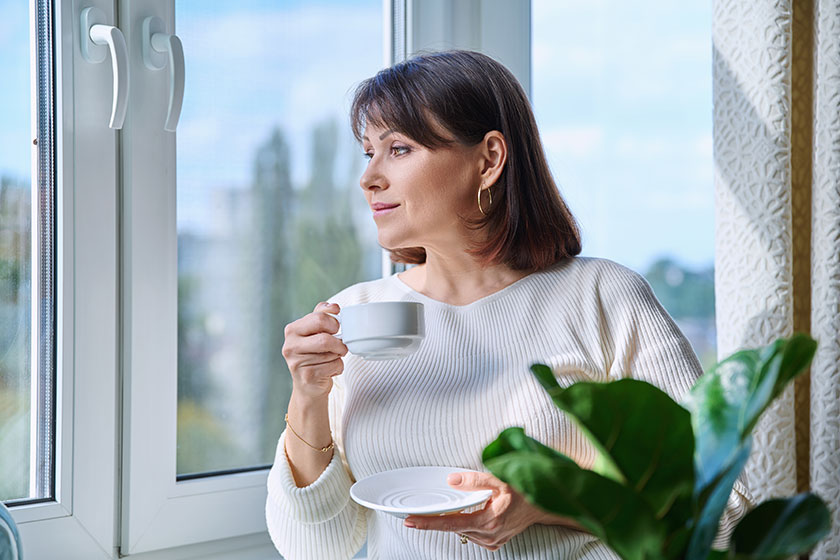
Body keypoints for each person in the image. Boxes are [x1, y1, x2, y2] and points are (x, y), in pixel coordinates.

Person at [266, 50, 750, 560]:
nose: (369, 178)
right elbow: (313, 547)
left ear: (489, 159)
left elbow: (724, 518)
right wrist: (309, 394)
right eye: (369, 153)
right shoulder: (355, 315)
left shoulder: (605, 299)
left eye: (400, 149)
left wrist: (551, 503)